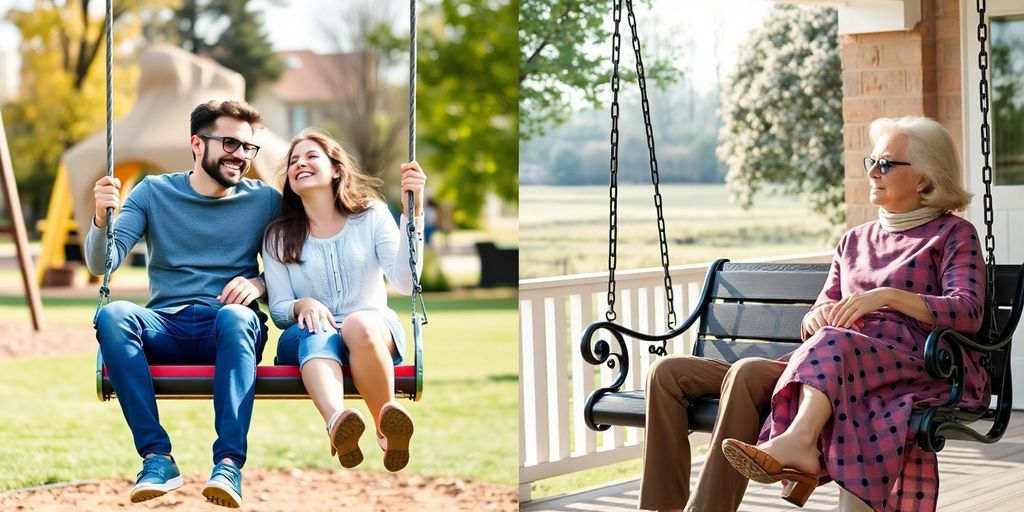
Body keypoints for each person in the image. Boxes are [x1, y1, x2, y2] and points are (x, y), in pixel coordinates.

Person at [721, 116, 989, 511]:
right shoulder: (854, 240)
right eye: (872, 162)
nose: (873, 173)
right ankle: (800, 446)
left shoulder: (952, 234)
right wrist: (816, 317)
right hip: (848, 362)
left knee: (837, 347)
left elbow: (968, 311)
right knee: (836, 351)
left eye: (887, 164)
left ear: (924, 179)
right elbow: (821, 307)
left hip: (925, 365)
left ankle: (799, 442)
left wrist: (887, 297)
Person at [86, 100, 280, 508]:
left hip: (228, 328)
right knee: (115, 314)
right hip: (165, 326)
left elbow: (303, 257)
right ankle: (157, 458)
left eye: (248, 147)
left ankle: (228, 464)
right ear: (197, 143)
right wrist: (101, 220)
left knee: (236, 317)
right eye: (230, 143)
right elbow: (102, 263)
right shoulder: (154, 193)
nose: (240, 156)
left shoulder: (265, 200)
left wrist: (261, 283)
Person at [262, 128, 425, 473]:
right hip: (307, 337)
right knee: (320, 329)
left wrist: (415, 213)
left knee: (358, 323)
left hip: (372, 333)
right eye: (293, 161)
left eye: (310, 157)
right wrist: (301, 305)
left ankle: (386, 429)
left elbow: (406, 283)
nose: (300, 164)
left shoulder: (371, 215)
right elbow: (278, 310)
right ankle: (338, 422)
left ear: (336, 169)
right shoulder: (278, 235)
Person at [640, 355, 784, 511]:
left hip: (800, 371)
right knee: (663, 370)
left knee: (745, 372)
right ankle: (669, 508)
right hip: (751, 366)